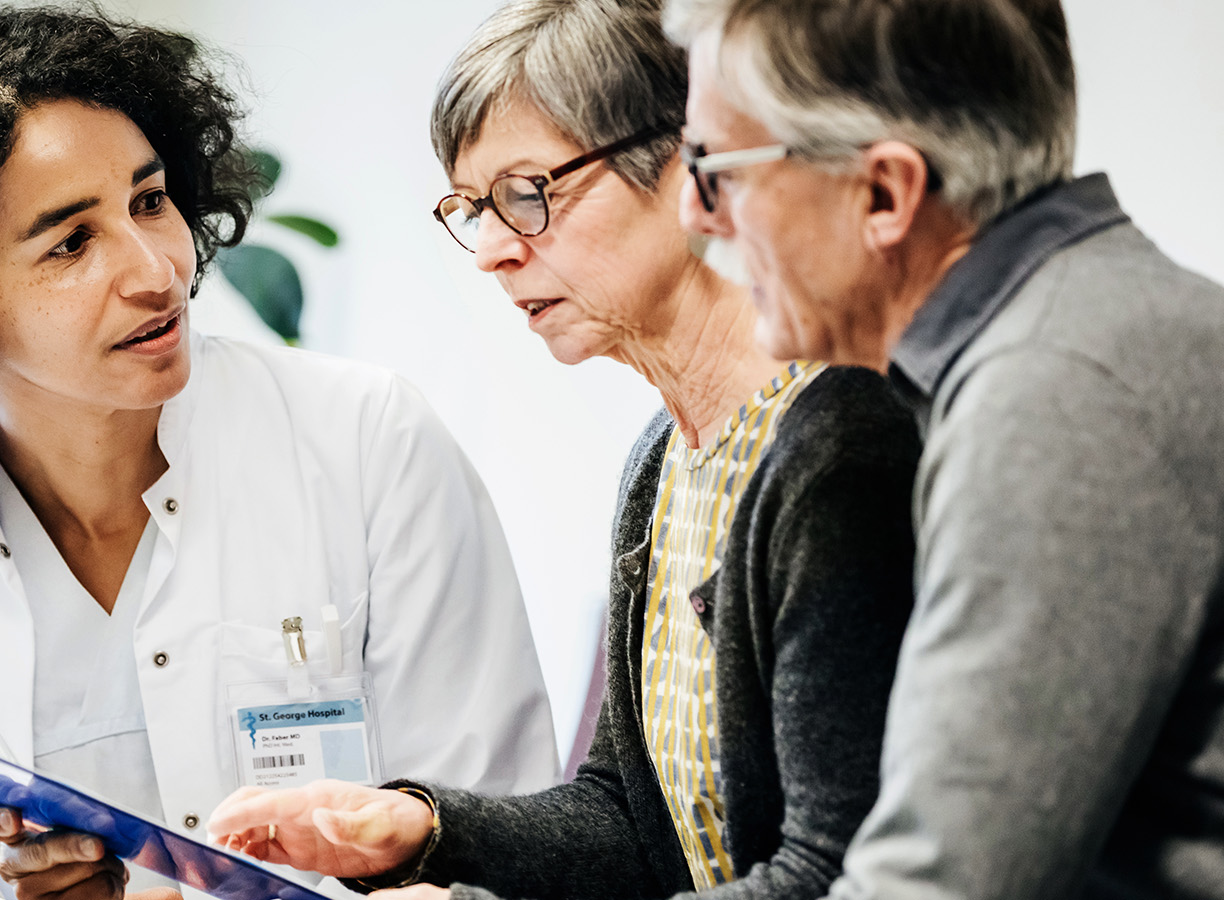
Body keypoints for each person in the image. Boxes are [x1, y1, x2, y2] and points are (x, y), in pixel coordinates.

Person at [0, 8, 560, 900]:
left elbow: (497, 828)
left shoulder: (369, 442)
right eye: (71, 242)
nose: (155, 270)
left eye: (149, 201)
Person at [199, 2, 922, 900]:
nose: (493, 252)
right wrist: (425, 826)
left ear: (683, 163)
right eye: (474, 209)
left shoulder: (835, 445)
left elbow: (839, 872)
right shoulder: (663, 459)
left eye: (527, 192)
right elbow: (626, 814)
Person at [662, 0, 1224, 897]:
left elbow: (937, 884)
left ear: (884, 193)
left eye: (713, 167)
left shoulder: (1051, 396)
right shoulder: (1081, 331)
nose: (695, 213)